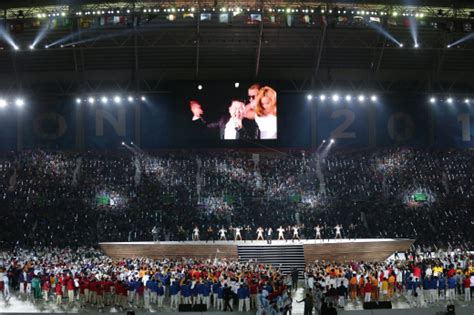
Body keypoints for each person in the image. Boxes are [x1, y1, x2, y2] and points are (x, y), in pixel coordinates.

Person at [189, 100, 260, 140]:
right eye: (235, 108)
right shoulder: (223, 120)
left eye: (241, 108)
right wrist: (196, 115)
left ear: (244, 110)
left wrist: (241, 129)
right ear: (230, 110)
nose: (238, 111)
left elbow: (253, 143)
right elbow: (206, 127)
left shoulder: (252, 124)